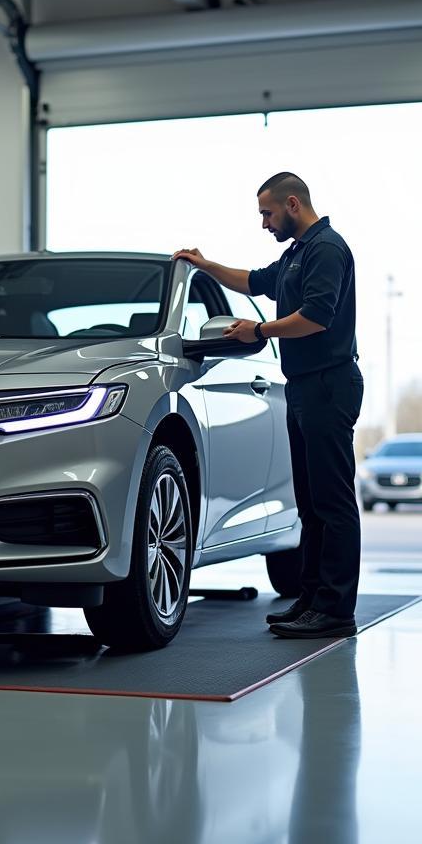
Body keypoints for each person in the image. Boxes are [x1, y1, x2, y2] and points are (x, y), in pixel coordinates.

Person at [173, 172, 363, 639]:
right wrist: (204, 264)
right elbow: (255, 282)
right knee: (311, 504)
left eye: (267, 213)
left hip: (328, 384)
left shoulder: (326, 249)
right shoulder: (297, 253)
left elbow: (317, 318)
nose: (264, 223)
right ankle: (313, 600)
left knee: (332, 501)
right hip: (302, 386)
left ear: (292, 204)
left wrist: (257, 333)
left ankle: (336, 610)